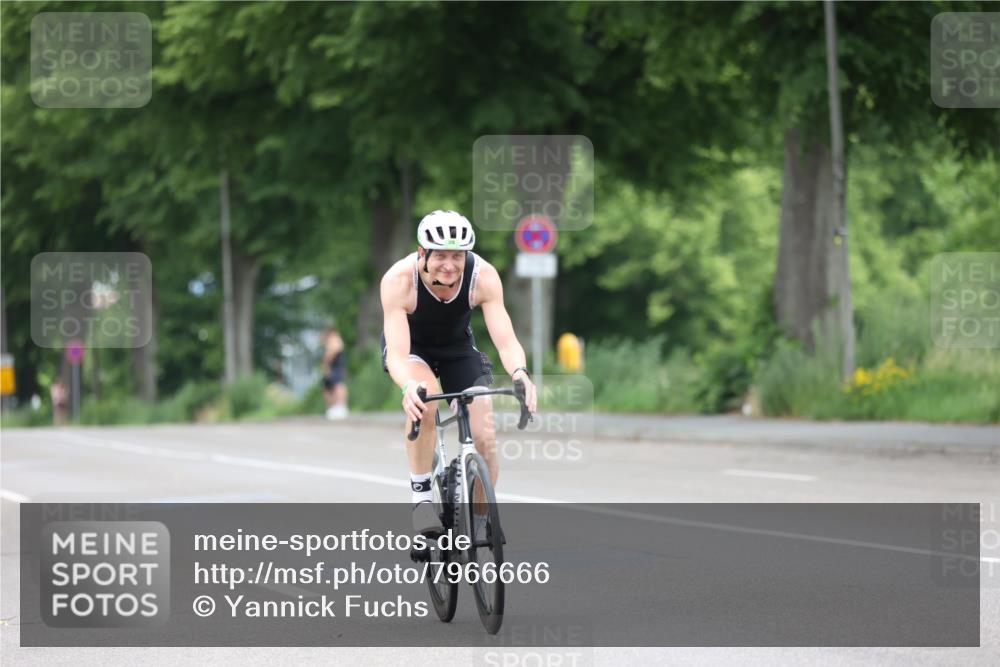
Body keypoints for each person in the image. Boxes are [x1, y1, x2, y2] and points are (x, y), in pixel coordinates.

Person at [380, 209, 537, 535]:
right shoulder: (399, 281)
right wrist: (408, 385)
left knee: (485, 438)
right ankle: (421, 500)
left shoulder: (483, 276)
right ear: (422, 253)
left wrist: (520, 373)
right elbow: (396, 355)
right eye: (440, 256)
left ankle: (478, 524)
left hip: (457, 349)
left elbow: (507, 342)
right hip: (412, 350)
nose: (450, 265)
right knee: (425, 402)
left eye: (457, 256)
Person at [321, 326, 349, 420]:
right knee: (328, 388)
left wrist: (328, 359)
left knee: (338, 385)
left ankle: (341, 407)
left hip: (336, 366)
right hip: (332, 367)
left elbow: (334, 351)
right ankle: (333, 408)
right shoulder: (329, 340)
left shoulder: (335, 339)